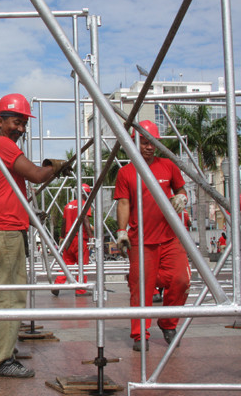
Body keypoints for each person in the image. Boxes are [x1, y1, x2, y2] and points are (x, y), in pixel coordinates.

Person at [0, 93, 71, 377]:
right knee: (10, 295)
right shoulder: (3, 146)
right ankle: (1, 360)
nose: (21, 129)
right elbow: (36, 175)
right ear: (1, 121)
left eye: (24, 124)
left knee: (5, 293)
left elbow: (13, 189)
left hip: (0, 228)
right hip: (4, 232)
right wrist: (55, 167)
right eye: (16, 122)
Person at [114, 120, 191, 352]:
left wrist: (182, 198)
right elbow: (124, 203)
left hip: (170, 237)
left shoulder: (168, 166)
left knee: (181, 280)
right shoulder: (127, 172)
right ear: (134, 143)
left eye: (152, 143)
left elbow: (180, 189)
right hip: (141, 241)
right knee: (141, 288)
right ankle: (140, 334)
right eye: (144, 142)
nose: (149, 147)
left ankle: (168, 323)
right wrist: (121, 230)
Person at [54, 183, 94, 296]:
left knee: (67, 264)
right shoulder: (84, 204)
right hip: (81, 239)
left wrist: (62, 237)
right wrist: (91, 237)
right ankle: (80, 290)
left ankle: (57, 285)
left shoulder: (68, 206)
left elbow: (64, 223)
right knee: (82, 265)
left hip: (69, 239)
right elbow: (85, 219)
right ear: (86, 193)